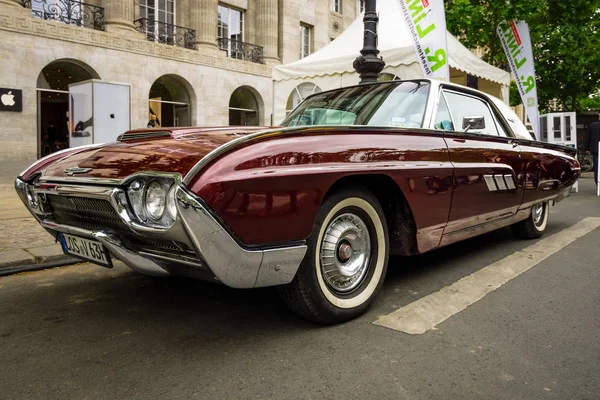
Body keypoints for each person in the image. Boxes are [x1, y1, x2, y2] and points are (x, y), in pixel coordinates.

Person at [586, 116, 600, 186]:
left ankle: (598, 184)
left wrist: (587, 148)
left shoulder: (593, 125)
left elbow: (588, 138)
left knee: (597, 167)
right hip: (596, 149)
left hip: (595, 150)